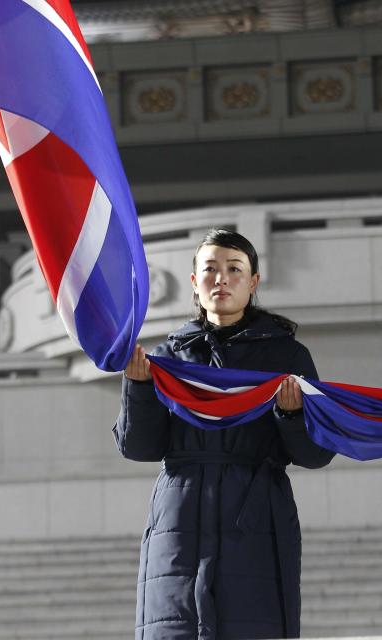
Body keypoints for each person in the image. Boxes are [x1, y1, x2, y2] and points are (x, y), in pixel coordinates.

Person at [114, 229, 333, 639]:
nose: (222, 279)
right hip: (180, 511)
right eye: (210, 269)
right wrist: (140, 389)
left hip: (255, 511)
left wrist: (291, 416)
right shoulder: (168, 355)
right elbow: (138, 446)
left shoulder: (286, 355)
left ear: (253, 282)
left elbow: (315, 454)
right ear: (194, 282)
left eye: (235, 269)